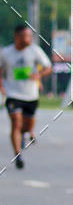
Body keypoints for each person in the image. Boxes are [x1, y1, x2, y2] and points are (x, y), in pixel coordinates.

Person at [0, 24, 52, 169]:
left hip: (31, 95)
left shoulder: (35, 51)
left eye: (30, 36)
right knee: (16, 122)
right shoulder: (6, 52)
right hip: (13, 93)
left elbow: (48, 67)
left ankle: (27, 133)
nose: (29, 39)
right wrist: (1, 86)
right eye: (25, 36)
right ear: (17, 36)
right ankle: (18, 154)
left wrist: (39, 75)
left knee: (27, 127)